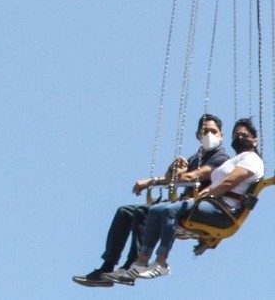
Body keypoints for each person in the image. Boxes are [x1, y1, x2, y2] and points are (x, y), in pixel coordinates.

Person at [71, 113, 230, 287]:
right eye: (205, 131)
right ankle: (107, 265)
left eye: (213, 131)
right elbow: (173, 179)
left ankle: (132, 266)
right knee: (124, 212)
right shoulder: (197, 156)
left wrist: (179, 174)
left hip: (195, 207)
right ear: (198, 135)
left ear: (221, 134)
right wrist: (161, 175)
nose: (209, 135)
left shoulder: (221, 158)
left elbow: (195, 175)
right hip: (181, 204)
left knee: (142, 213)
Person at [107, 118, 265, 283]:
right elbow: (196, 180)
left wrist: (203, 196)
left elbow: (228, 183)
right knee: (155, 210)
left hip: (222, 208)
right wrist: (174, 174)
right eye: (236, 135)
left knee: (170, 210)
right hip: (209, 201)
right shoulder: (233, 159)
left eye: (244, 135)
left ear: (254, 140)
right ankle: (141, 262)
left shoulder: (251, 159)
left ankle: (161, 262)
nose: (239, 137)